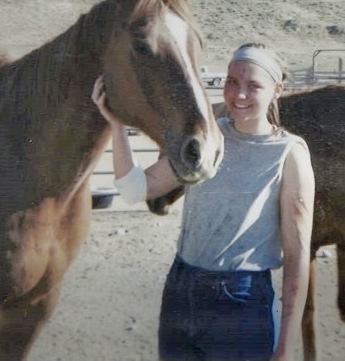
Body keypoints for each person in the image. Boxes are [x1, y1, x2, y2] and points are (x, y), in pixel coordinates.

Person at [92, 43, 316, 361]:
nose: (239, 95)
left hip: (241, 301)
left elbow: (297, 257)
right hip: (180, 290)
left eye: (253, 86)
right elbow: (134, 190)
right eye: (232, 82)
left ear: (277, 90)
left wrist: (286, 349)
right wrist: (116, 126)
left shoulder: (289, 154)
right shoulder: (207, 139)